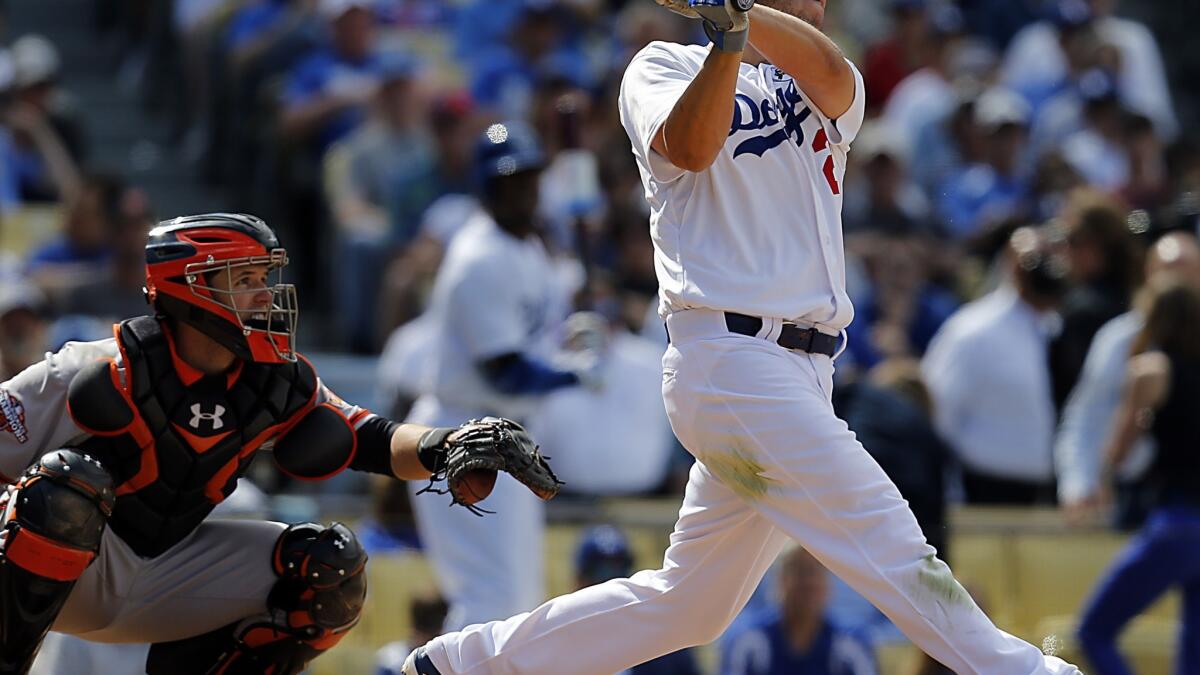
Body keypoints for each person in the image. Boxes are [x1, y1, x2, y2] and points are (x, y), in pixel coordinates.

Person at [403, 0, 1082, 673]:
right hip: (730, 357)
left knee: (692, 604)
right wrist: (727, 40)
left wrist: (740, 15)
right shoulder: (663, 65)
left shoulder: (821, 76)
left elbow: (831, 72)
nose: (819, 3)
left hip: (803, 371)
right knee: (892, 539)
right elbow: (691, 149)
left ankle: (463, 664)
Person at [0, 212, 554, 673]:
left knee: (328, 566)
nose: (265, 294)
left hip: (158, 576)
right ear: (190, 288)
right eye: (244, 280)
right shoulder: (97, 369)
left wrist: (449, 442)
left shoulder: (275, 379)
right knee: (67, 489)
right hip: (45, 575)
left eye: (264, 276)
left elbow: (371, 438)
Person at [404, 121, 593, 632]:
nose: (524, 190)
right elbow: (506, 371)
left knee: (513, 605)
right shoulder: (480, 257)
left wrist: (578, 328)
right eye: (510, 180)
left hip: (502, 440)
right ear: (487, 186)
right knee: (489, 603)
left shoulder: (526, 246)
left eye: (529, 177)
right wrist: (575, 377)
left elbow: (540, 335)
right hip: (463, 436)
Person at [1075, 277, 1200, 672]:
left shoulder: (1151, 370)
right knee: (1193, 649)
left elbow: (1120, 446)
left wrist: (1101, 485)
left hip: (1177, 521)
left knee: (1094, 631)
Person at [1056, 231, 1200, 528]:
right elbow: (1087, 415)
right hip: (1135, 497)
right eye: (1167, 276)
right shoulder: (1118, 340)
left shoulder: (1149, 365)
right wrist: (1080, 483)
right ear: (1149, 277)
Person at [720, 545, 877, 675]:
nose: (809, 582)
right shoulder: (749, 642)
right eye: (799, 571)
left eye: (817, 571)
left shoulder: (849, 644)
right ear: (780, 580)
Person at [574, 525, 702, 675]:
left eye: (618, 575)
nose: (609, 590)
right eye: (602, 575)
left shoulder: (665, 644)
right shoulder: (564, 643)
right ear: (580, 582)